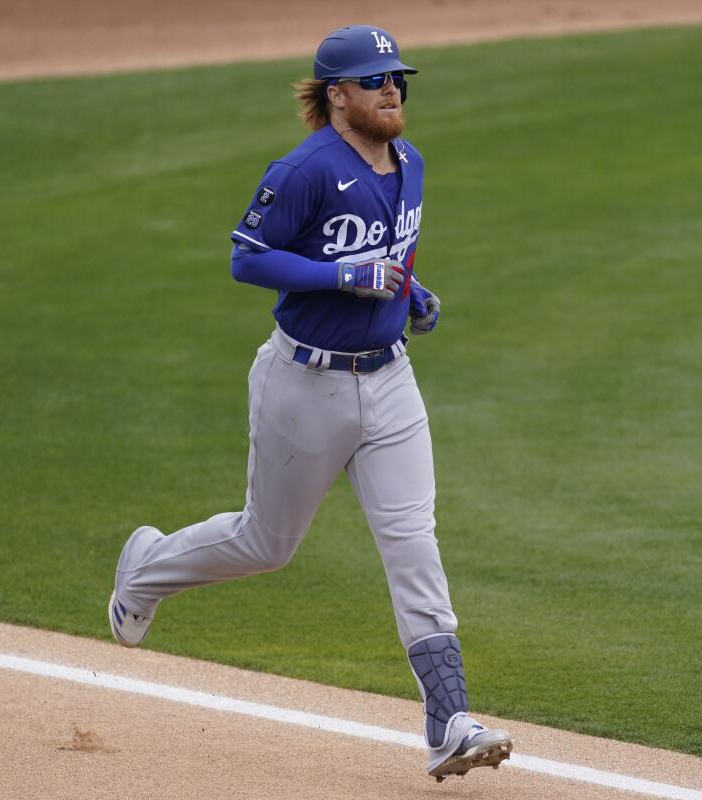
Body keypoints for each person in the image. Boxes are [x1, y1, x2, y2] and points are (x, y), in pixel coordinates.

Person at [107, 24, 512, 782]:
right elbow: (247, 257)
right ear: (336, 95)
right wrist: (344, 279)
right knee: (268, 544)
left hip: (391, 382)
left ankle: (447, 720)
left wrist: (410, 292)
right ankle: (146, 570)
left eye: (398, 79)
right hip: (305, 385)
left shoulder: (410, 164)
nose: (392, 90)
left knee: (413, 543)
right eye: (375, 81)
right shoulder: (304, 171)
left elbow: (388, 253)